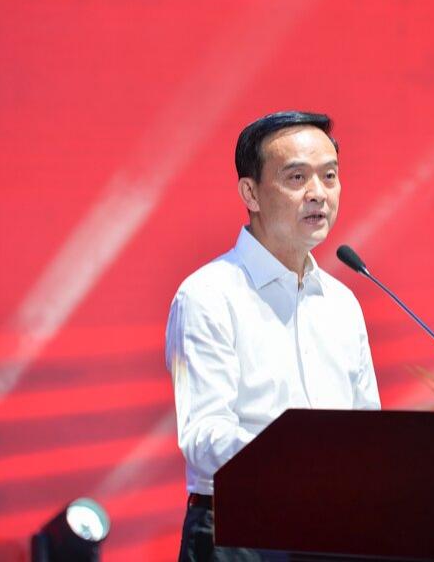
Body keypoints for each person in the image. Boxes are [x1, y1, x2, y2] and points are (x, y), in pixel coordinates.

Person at [165, 111, 381, 562]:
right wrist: (299, 464)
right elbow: (202, 436)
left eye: (329, 176)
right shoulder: (209, 295)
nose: (318, 193)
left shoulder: (342, 303)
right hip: (239, 531)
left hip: (337, 532)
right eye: (297, 177)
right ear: (251, 193)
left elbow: (367, 429)